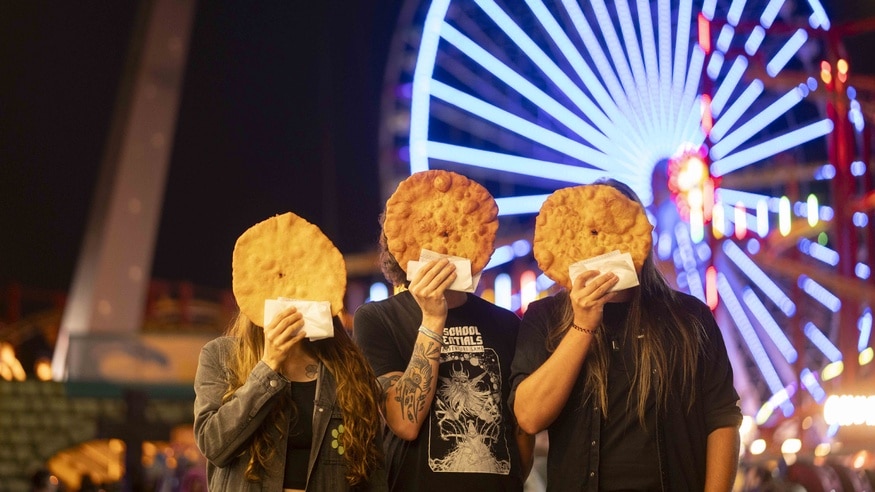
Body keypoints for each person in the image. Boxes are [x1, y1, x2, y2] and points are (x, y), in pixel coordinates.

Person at [510, 179, 742, 491]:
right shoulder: (544, 319)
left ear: (641, 234)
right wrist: (582, 326)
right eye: (591, 232)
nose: (600, 242)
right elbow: (528, 417)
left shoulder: (690, 319)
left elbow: (722, 420)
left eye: (614, 227)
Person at [353, 218, 533, 491]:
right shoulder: (377, 318)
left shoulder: (508, 324)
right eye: (430, 232)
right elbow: (404, 422)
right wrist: (433, 319)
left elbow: (520, 429)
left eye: (456, 231)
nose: (445, 242)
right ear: (400, 245)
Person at [194, 309, 388, 491]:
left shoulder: (348, 366)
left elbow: (372, 470)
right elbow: (213, 445)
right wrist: (268, 367)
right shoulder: (222, 356)